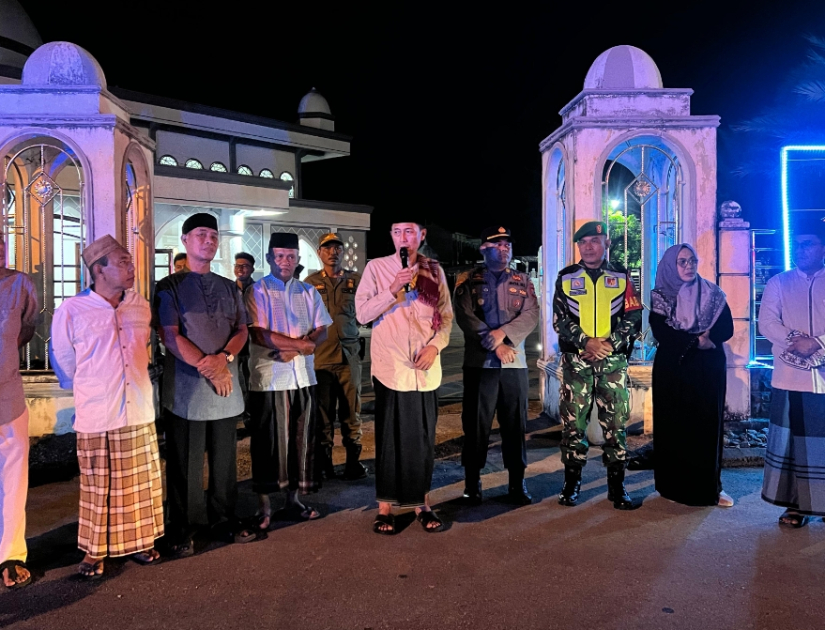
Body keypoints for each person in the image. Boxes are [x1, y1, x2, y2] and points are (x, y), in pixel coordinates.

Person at [51, 235, 164, 578]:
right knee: (98, 487)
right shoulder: (72, 310)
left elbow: (143, 349)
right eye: (123, 262)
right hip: (98, 411)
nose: (131, 267)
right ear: (98, 270)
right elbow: (64, 362)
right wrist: (94, 386)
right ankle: (94, 551)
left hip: (138, 408)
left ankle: (140, 542)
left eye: (130, 261)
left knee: (137, 484)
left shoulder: (140, 305)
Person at [153, 213, 255, 557]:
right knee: (186, 461)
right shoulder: (169, 286)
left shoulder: (228, 287)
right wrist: (208, 366)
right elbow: (169, 334)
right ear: (185, 240)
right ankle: (184, 527)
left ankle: (224, 518)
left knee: (225, 459)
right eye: (201, 235)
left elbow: (242, 329)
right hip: (187, 388)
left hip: (225, 386)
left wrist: (223, 358)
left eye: (213, 235)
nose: (209, 241)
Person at [355, 221, 453, 534]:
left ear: (422, 235)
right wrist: (392, 289)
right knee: (389, 440)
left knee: (421, 441)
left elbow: (445, 317)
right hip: (391, 370)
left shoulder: (433, 270)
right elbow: (362, 314)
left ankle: (421, 504)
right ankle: (385, 507)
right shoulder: (376, 268)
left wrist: (435, 347)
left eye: (409, 231)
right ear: (391, 236)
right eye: (397, 232)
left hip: (425, 371)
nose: (403, 237)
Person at [245, 232, 332, 529]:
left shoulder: (308, 292)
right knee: (268, 444)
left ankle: (293, 501)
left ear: (298, 260)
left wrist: (297, 350)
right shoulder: (257, 291)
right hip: (270, 380)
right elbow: (258, 334)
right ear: (269, 258)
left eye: (291, 256)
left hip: (303, 379)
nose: (285, 261)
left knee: (300, 442)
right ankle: (264, 507)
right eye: (280, 256)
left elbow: (322, 329)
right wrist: (301, 346)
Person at [553, 221, 642, 510]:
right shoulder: (566, 277)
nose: (588, 247)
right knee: (573, 424)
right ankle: (571, 483)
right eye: (583, 242)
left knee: (616, 424)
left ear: (606, 243)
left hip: (612, 362)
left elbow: (634, 315)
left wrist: (610, 344)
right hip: (576, 362)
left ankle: (617, 487)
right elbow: (560, 320)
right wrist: (586, 343)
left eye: (594, 240)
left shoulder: (621, 275)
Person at [454, 226, 539, 505]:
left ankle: (517, 483)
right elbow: (464, 316)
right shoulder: (468, 279)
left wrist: (504, 335)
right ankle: (472, 483)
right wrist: (495, 344)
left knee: (515, 425)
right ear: (483, 248)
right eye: (497, 244)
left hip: (514, 365)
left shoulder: (522, 280)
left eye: (507, 245)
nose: (504, 249)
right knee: (476, 425)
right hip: (480, 364)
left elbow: (531, 314)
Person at [650, 244, 734, 507]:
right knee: (674, 427)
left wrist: (707, 341)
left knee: (706, 427)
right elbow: (661, 331)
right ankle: (673, 488)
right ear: (670, 265)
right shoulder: (661, 296)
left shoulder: (713, 293)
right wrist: (696, 341)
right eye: (682, 262)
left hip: (707, 368)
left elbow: (726, 327)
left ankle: (710, 489)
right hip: (673, 368)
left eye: (692, 261)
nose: (689, 266)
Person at [759, 217, 825, 527]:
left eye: (808, 244)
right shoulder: (779, 282)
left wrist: (817, 343)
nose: (801, 249)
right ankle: (796, 506)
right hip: (791, 376)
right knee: (794, 445)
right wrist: (795, 340)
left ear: (823, 248)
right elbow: (767, 323)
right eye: (796, 245)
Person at [306, 233, 368, 482]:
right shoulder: (310, 283)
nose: (333, 252)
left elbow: (366, 312)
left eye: (337, 248)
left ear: (343, 252)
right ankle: (325, 465)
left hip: (349, 357)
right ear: (319, 253)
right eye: (327, 248)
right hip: (320, 358)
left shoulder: (356, 280)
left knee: (352, 412)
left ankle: (353, 463)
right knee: (322, 415)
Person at [0, 234, 37, 589]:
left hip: (8, 395)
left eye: (0, 240)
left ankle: (10, 555)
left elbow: (25, 331)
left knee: (13, 478)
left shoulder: (20, 285)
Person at [234, 252, 256, 412]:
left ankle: (251, 414)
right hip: (233, 343)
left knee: (252, 382)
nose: (240, 269)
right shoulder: (228, 289)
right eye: (237, 265)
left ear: (252, 269)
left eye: (245, 266)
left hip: (253, 343)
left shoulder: (259, 290)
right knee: (233, 381)